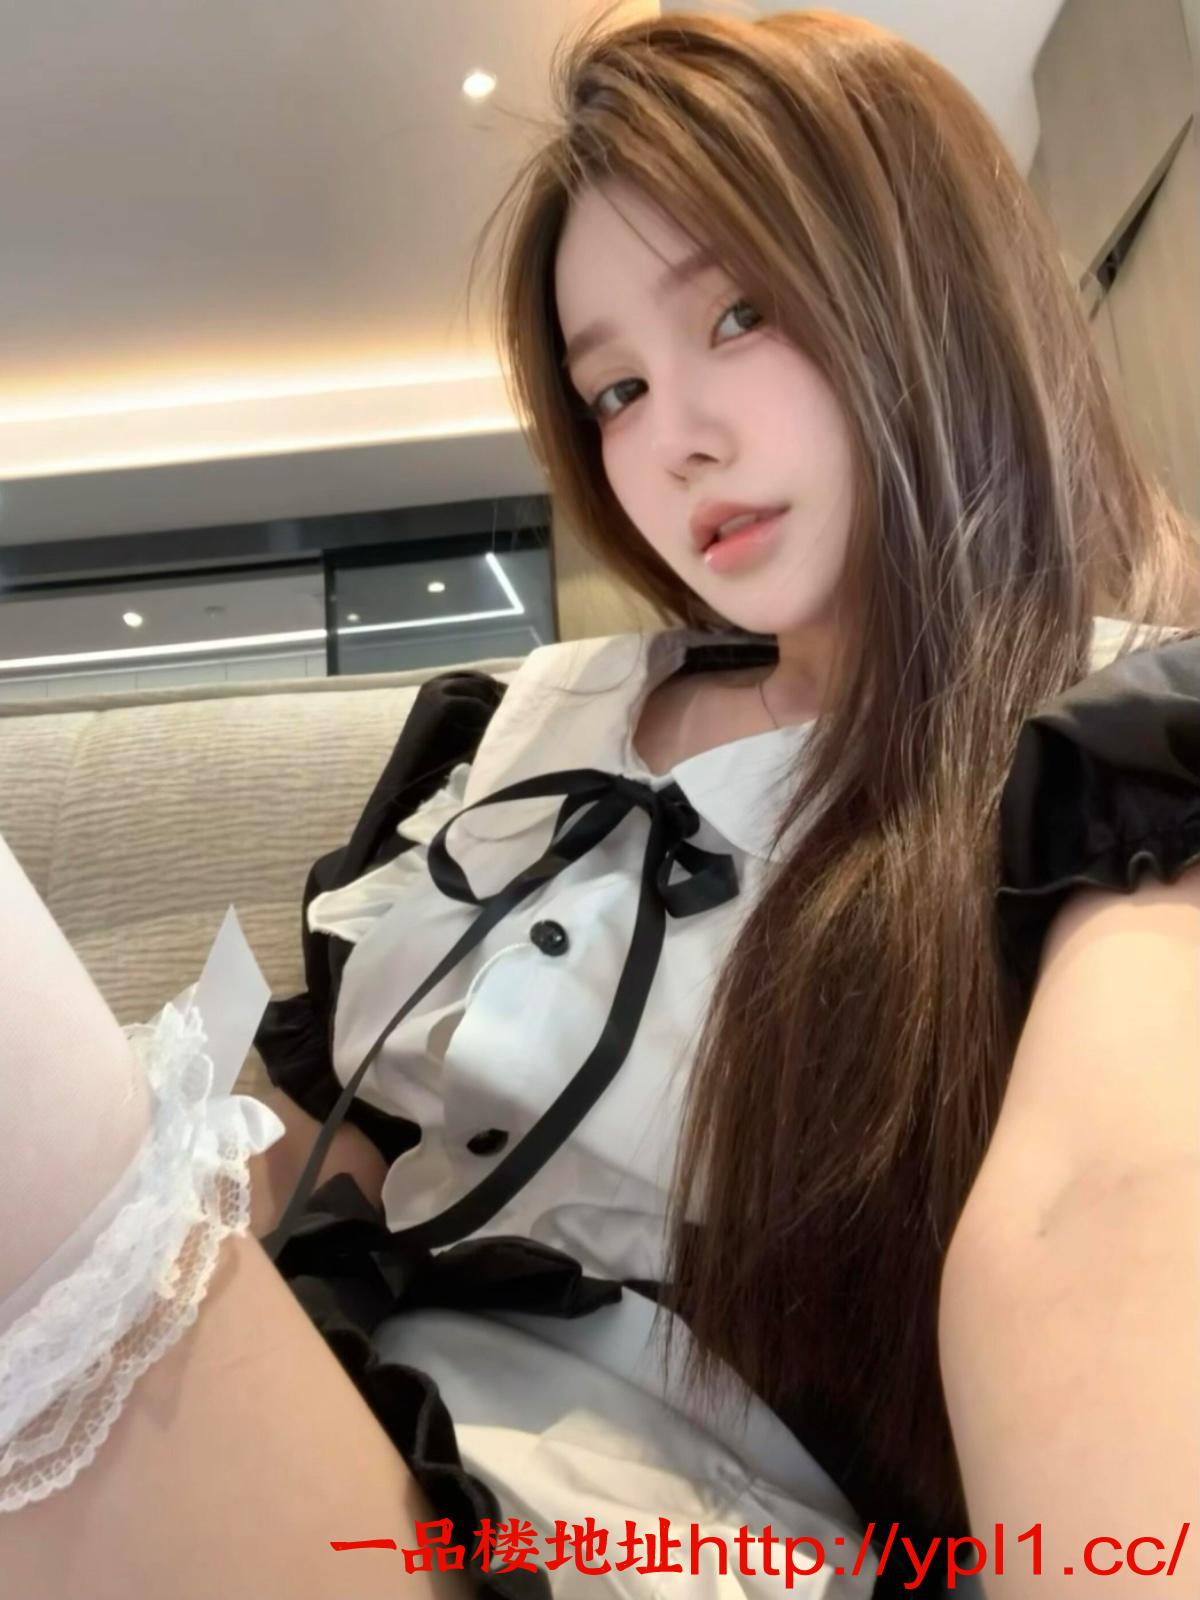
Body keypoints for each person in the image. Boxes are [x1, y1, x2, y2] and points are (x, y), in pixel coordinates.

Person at [2, 7, 1198, 1597]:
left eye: (740, 315)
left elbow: (1102, 1216)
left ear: (928, 284)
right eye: (616, 389)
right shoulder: (523, 725)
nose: (674, 442)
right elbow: (339, 1127)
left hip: (639, 1530)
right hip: (316, 1402)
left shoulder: (1118, 752)